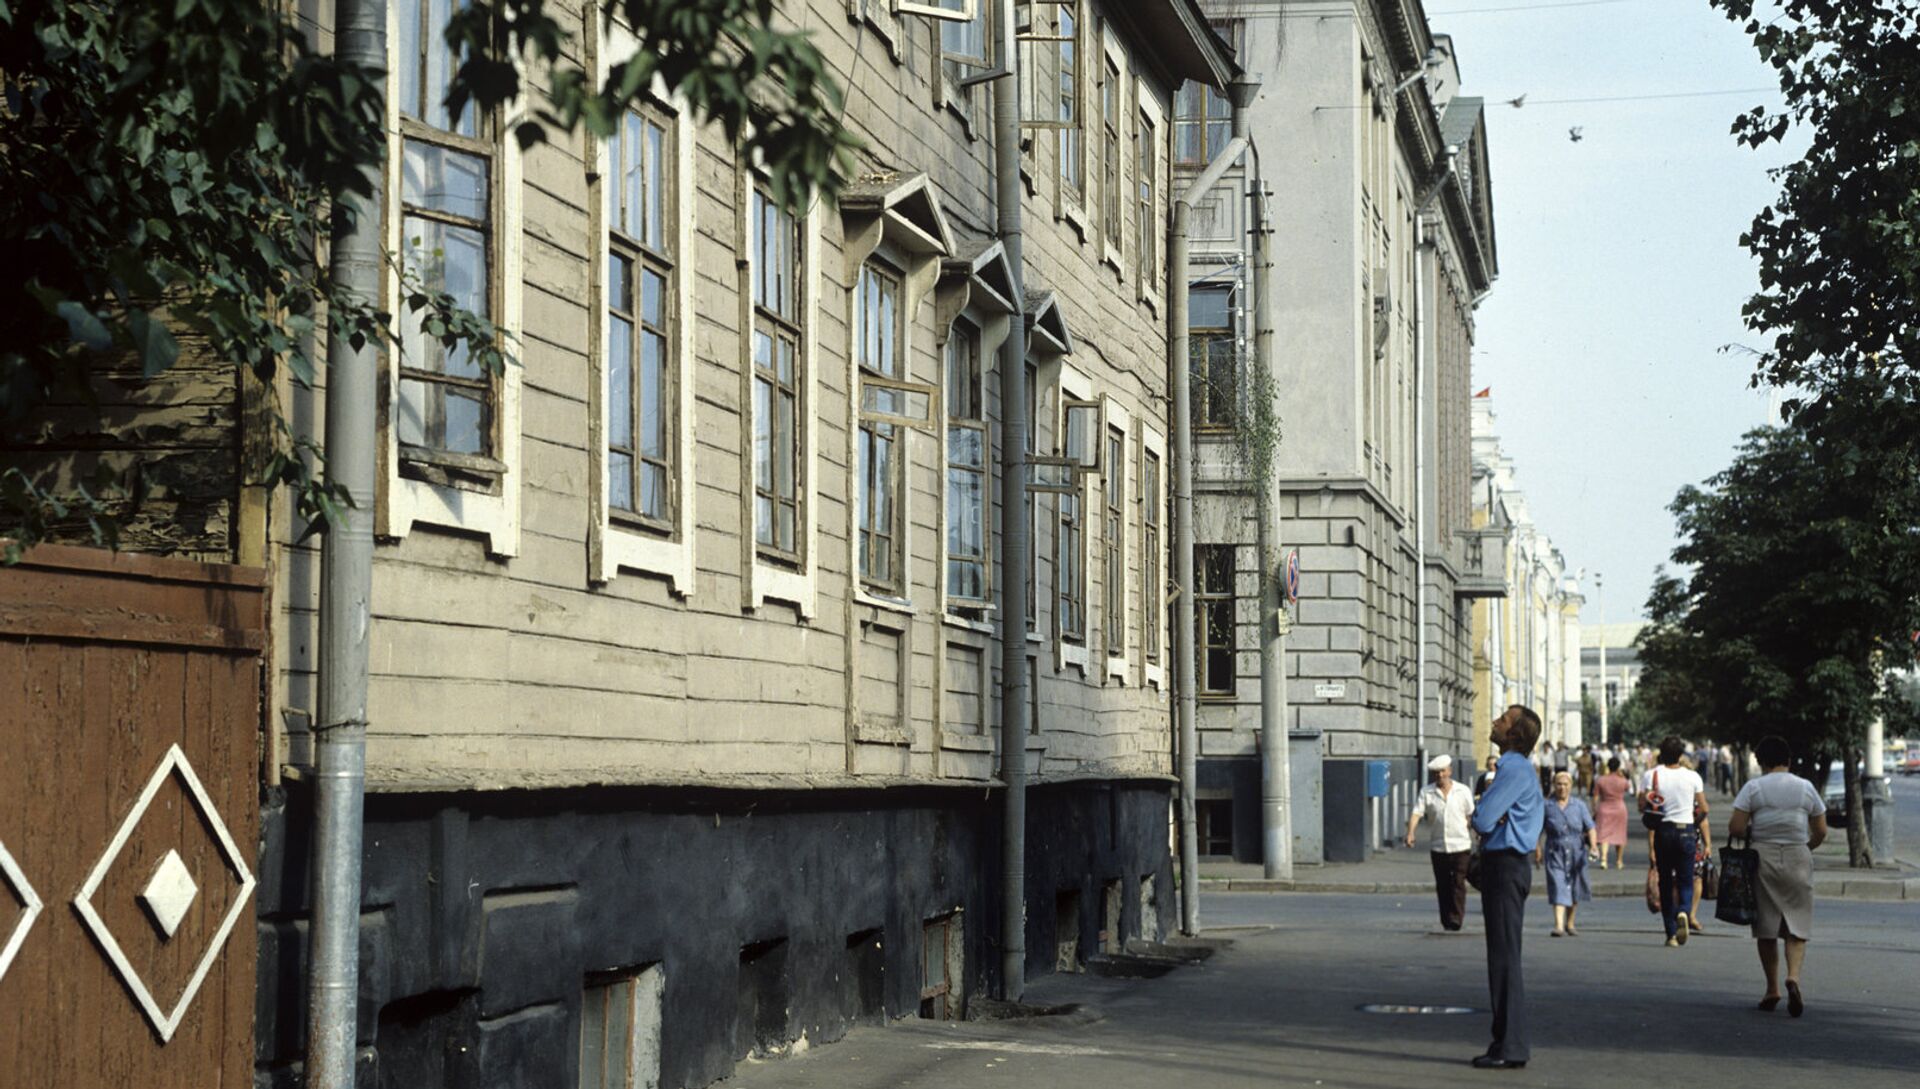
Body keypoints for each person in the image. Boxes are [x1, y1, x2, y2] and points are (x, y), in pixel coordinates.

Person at [1468, 705, 1544, 1070]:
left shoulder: (1512, 767)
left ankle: (1510, 1046)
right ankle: (1504, 1042)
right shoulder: (1520, 769)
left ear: (1514, 734)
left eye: (1503, 719)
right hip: (1509, 865)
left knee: (1503, 959)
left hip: (1505, 865)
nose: (1495, 720)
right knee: (1503, 956)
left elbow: (1482, 819)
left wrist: (1486, 811)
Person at [1730, 735, 1828, 1017]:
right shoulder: (1805, 787)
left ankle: (1772, 988)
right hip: (1798, 854)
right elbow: (1821, 829)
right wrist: (1806, 847)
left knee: (1767, 925)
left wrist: (1755, 831)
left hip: (1763, 856)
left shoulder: (1754, 788)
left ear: (1761, 761)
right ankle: (1793, 977)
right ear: (1788, 759)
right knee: (1797, 922)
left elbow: (1736, 828)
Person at [1642, 735, 1708, 946]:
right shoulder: (1693, 777)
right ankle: (1684, 911)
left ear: (1661, 753)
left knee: (1666, 882)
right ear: (1681, 754)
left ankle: (1670, 933)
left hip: (1663, 831)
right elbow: (1704, 808)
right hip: (1686, 830)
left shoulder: (1651, 775)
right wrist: (1693, 822)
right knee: (1685, 878)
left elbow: (1642, 805)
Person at [1407, 754, 1477, 931]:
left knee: (1458, 882)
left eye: (1443, 771)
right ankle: (1446, 918)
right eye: (1436, 773)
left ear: (1450, 771)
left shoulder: (1462, 791)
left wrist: (1478, 834)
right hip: (1439, 846)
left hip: (1461, 845)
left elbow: (1471, 815)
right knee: (1443, 883)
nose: (1440, 775)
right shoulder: (1427, 792)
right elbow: (1417, 813)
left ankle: (1456, 918)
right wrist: (1410, 832)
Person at [1535, 771, 1597, 936]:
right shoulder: (1547, 806)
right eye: (1559, 784)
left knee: (1574, 887)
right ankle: (1559, 925)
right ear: (1554, 786)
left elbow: (1590, 827)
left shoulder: (1579, 805)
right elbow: (1538, 830)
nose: (1562, 787)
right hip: (1555, 850)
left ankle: (1570, 923)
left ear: (1571, 786)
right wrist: (1537, 849)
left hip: (1577, 852)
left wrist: (1594, 847)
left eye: (1565, 784)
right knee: (1558, 884)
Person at [1591, 756, 1631, 869]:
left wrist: (1594, 809)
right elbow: (1628, 788)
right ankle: (1619, 861)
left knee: (1604, 834)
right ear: (1618, 767)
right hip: (1619, 807)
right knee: (1620, 834)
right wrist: (1623, 776)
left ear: (1608, 766)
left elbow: (1595, 796)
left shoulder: (1601, 780)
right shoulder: (1622, 780)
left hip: (1604, 807)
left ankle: (1604, 859)